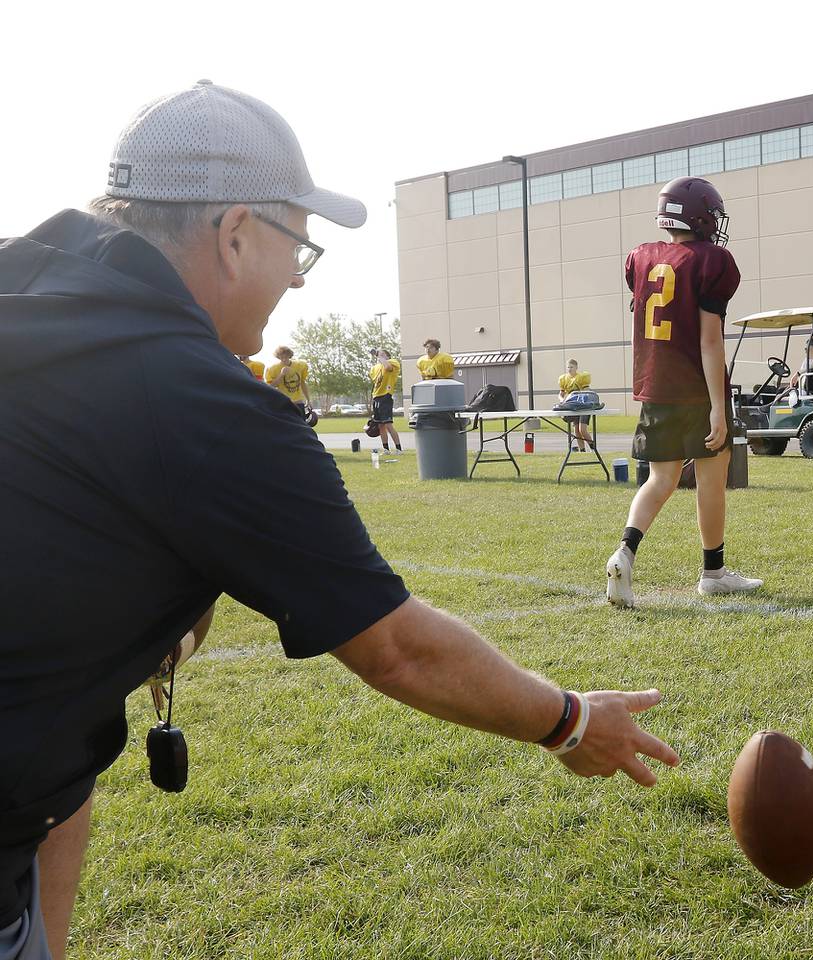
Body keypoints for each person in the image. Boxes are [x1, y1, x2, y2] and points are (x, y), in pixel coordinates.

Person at [0, 81, 677, 960]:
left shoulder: (28, 277)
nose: (295, 275)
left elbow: (56, 734)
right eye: (299, 247)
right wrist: (570, 721)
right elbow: (397, 646)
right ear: (234, 234)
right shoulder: (203, 401)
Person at [606, 176, 762, 607]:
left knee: (661, 479)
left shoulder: (641, 257)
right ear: (701, 217)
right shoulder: (713, 261)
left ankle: (625, 550)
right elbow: (710, 341)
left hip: (655, 387)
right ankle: (713, 571)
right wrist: (717, 406)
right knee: (712, 478)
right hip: (696, 389)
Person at [557, 357, 596, 452]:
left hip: (583, 406)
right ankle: (582, 450)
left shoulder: (581, 377)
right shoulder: (564, 379)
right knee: (576, 431)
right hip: (573, 407)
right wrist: (562, 400)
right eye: (568, 367)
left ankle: (593, 448)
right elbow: (561, 394)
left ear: (576, 367)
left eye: (571, 367)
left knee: (582, 429)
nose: (570, 369)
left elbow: (587, 392)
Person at [369, 347, 403, 454]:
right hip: (376, 396)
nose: (380, 355)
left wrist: (381, 357)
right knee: (380, 425)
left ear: (388, 356)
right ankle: (386, 449)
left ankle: (398, 448)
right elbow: (374, 379)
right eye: (379, 354)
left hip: (386, 396)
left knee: (388, 424)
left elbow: (388, 367)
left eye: (383, 354)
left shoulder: (392, 362)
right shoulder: (375, 367)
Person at [265, 345, 312, 420]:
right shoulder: (273, 369)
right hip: (284, 402)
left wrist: (308, 400)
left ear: (289, 355)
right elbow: (271, 386)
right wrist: (281, 374)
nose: (283, 359)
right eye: (281, 357)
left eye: (285, 356)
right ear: (278, 357)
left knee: (302, 427)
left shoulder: (300, 365)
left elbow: (302, 383)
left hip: (298, 402)